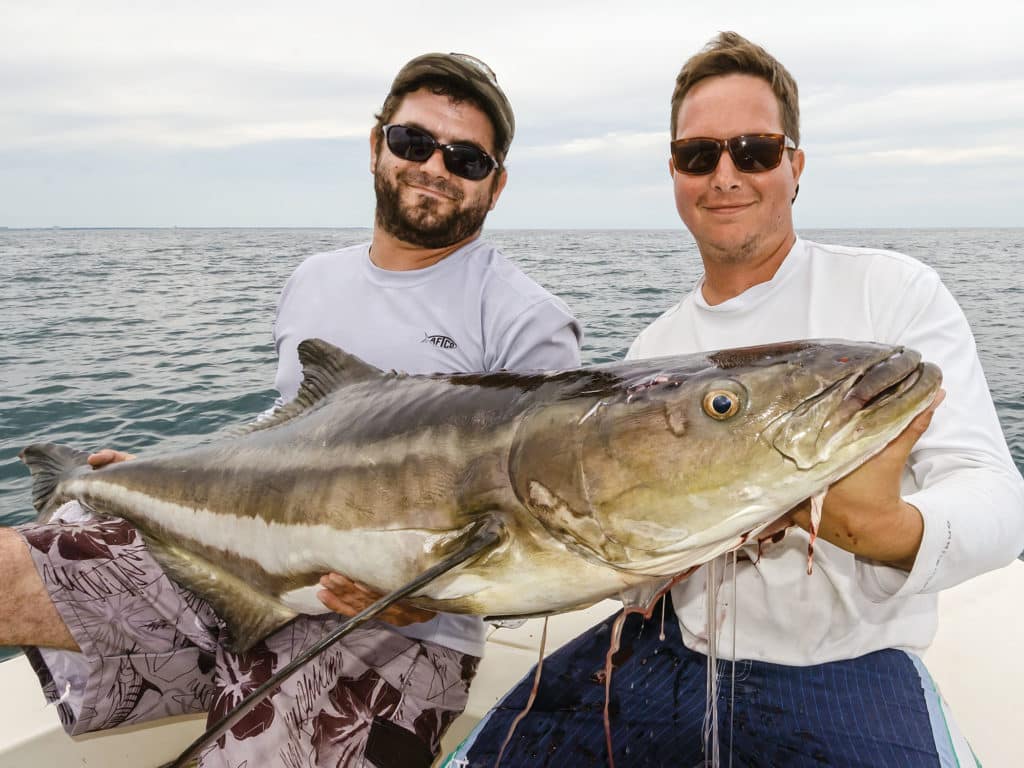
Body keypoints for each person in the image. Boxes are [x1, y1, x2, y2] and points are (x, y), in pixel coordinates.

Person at [444, 32, 1024, 767]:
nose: (725, 175)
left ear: (795, 166)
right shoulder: (655, 346)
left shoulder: (892, 294)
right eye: (699, 155)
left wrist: (885, 528)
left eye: (753, 151)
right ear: (676, 173)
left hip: (847, 664)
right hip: (674, 651)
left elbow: (996, 499)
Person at [0, 52, 581, 767]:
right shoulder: (313, 280)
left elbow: (547, 527)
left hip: (401, 631)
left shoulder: (527, 319)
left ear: (495, 187)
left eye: (465, 159)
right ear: (376, 147)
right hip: (234, 571)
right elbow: (283, 437)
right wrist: (162, 480)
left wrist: (430, 600)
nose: (434, 166)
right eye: (413, 142)